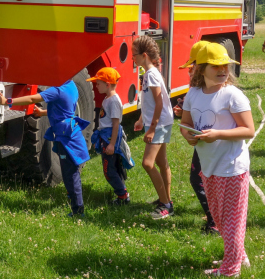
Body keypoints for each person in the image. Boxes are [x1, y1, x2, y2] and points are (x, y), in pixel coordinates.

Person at [179, 43, 255, 277]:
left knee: (231, 220)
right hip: (208, 166)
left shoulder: (232, 95)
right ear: (201, 69)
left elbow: (248, 130)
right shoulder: (193, 94)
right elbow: (186, 124)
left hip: (231, 167)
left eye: (225, 65)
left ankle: (231, 269)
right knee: (220, 219)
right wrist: (188, 136)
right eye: (216, 66)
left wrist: (218, 134)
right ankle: (238, 255)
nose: (223, 70)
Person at [0, 80, 91, 217]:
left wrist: (6, 101)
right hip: (70, 134)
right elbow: (63, 109)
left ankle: (78, 210)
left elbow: (32, 98)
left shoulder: (57, 90)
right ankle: (73, 199)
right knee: (69, 172)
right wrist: (42, 112)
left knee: (71, 174)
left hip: (67, 140)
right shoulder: (71, 85)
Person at [174, 40, 218, 235]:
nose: (189, 72)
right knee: (199, 179)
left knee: (200, 180)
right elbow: (189, 119)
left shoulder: (217, 91)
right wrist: (186, 130)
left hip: (216, 148)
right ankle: (214, 217)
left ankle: (215, 220)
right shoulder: (196, 91)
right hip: (201, 145)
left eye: (191, 68)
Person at [132, 36, 175, 220]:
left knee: (147, 164)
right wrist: (142, 119)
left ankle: (165, 205)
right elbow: (150, 101)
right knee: (161, 162)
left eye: (134, 55)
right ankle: (166, 200)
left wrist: (152, 128)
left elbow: (159, 102)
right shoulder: (150, 72)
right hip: (159, 121)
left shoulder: (150, 74)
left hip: (159, 123)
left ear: (144, 55)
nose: (132, 58)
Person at [88, 67, 133, 205]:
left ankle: (123, 196)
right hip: (105, 137)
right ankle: (122, 191)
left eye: (98, 83)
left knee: (109, 170)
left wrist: (112, 144)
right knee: (112, 167)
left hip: (110, 139)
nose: (96, 86)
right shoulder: (107, 98)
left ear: (107, 84)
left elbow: (115, 124)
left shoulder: (113, 101)